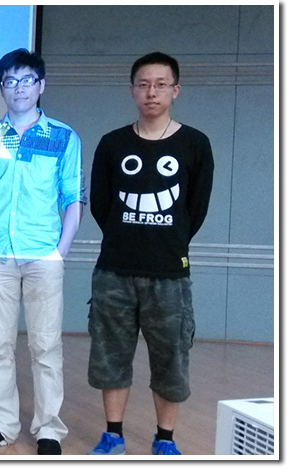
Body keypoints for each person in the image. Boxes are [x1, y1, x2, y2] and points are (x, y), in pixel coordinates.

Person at [86, 52, 214, 456]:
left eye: (160, 84)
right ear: (132, 91)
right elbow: (101, 204)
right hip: (114, 271)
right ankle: (113, 435)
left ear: (176, 90)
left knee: (171, 358)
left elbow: (196, 209)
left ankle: (165, 439)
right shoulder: (113, 143)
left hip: (169, 273)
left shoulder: (195, 143)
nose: (151, 92)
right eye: (143, 84)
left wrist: (167, 241)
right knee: (110, 355)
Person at [0, 48, 85, 456]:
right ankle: (0, 425)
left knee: (46, 346)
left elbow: (72, 198)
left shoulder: (63, 137)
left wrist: (60, 251)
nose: (19, 88)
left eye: (27, 80)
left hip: (43, 255)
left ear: (41, 85)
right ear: (1, 87)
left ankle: (49, 428)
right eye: (10, 81)